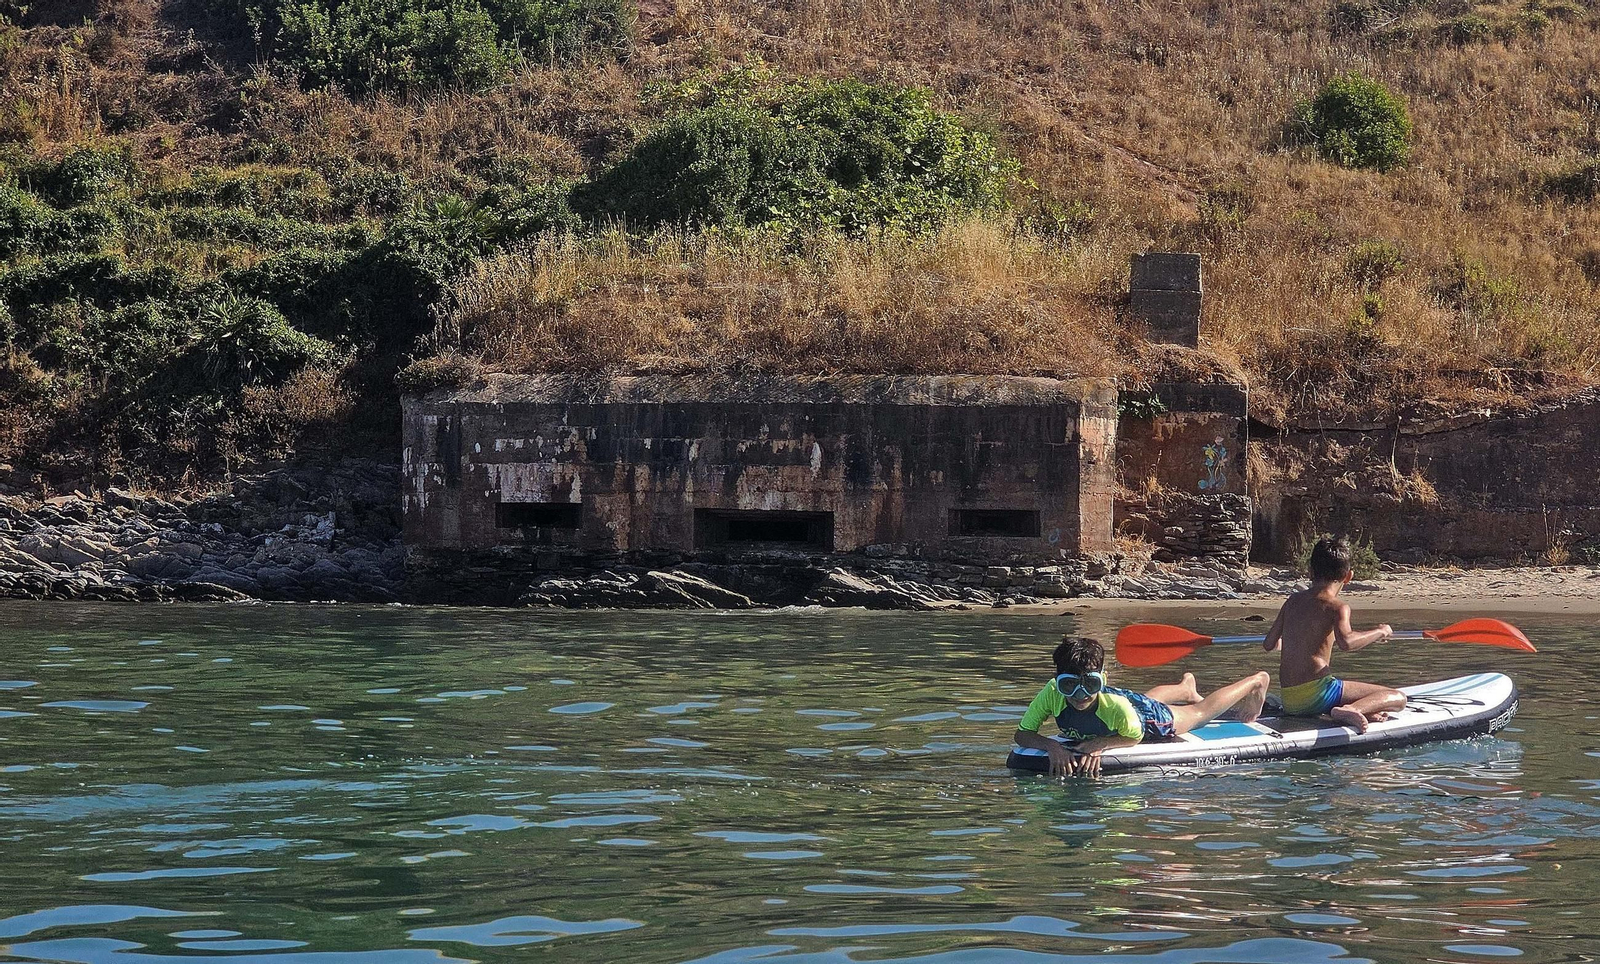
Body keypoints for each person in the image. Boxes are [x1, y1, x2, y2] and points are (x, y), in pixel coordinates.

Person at [1014, 636, 1270, 778]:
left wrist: (1103, 743)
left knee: (1199, 713)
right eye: (1069, 685)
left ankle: (1256, 681)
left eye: (1090, 685)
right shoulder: (1050, 694)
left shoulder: (1115, 706)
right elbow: (1022, 734)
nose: (1080, 695)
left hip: (1144, 720)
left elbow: (1133, 735)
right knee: (1144, 698)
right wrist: (1052, 746)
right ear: (1057, 681)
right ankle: (1185, 689)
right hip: (1126, 709)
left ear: (1103, 681)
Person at [1263, 534, 1406, 733]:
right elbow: (1347, 642)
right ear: (1348, 576)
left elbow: (1268, 644)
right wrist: (1380, 631)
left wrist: (1284, 640)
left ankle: (1360, 710)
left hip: (1290, 700)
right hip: (1318, 694)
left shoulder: (1292, 601)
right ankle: (1351, 710)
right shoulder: (1337, 607)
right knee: (1398, 697)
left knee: (1346, 690)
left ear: (1310, 571)